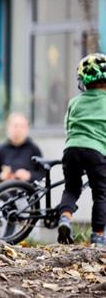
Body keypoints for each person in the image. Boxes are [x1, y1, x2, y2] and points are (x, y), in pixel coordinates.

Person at [56, 53, 106, 246]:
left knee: (71, 188)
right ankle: (99, 235)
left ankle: (66, 218)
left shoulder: (75, 101)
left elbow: (67, 125)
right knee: (101, 193)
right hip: (96, 150)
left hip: (71, 150)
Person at [0, 112, 44, 183]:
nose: (18, 130)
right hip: (6, 190)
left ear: (27, 128)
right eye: (15, 126)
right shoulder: (1, 149)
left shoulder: (33, 149)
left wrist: (29, 175)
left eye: (22, 126)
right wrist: (1, 176)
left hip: (28, 190)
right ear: (8, 127)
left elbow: (42, 173)